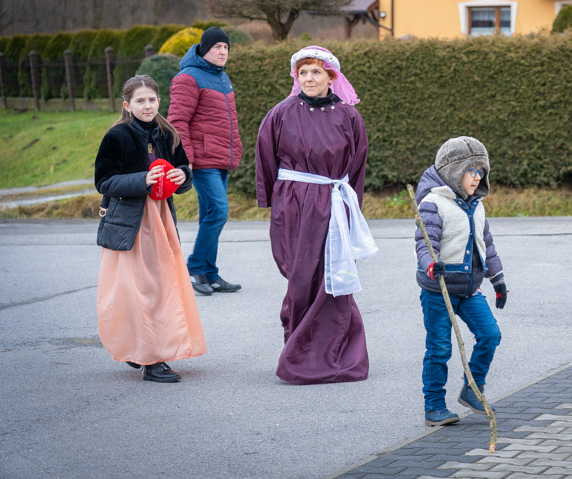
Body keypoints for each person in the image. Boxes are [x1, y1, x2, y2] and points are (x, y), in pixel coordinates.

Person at [255, 45, 376, 384]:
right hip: (292, 205)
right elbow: (265, 157)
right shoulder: (280, 113)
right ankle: (299, 348)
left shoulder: (349, 117)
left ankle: (335, 354)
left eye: (316, 72)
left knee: (332, 277)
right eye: (303, 72)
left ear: (331, 77)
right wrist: (272, 203)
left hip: (332, 203)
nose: (309, 78)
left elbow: (357, 166)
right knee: (300, 277)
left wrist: (352, 207)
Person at [95, 75, 207, 383]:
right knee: (138, 291)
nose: (147, 106)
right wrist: (142, 180)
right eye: (140, 100)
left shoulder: (167, 133)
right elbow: (104, 181)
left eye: (152, 100)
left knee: (161, 287)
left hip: (161, 219)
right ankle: (150, 358)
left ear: (160, 102)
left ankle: (147, 350)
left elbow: (184, 169)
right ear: (127, 105)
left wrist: (183, 177)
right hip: (130, 222)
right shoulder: (117, 136)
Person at [414, 136, 508, 427]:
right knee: (440, 348)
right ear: (455, 172)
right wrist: (431, 264)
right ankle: (434, 406)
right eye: (472, 171)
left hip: (470, 289)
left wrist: (498, 280)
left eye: (481, 172)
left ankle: (473, 389)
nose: (477, 177)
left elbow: (486, 245)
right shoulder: (433, 203)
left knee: (490, 334)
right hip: (439, 289)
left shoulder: (476, 205)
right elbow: (424, 241)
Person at [168, 26, 243, 296]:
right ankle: (196, 267)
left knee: (210, 215)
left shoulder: (222, 77)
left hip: (221, 158)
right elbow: (178, 121)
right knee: (219, 211)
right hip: (201, 160)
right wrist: (185, 160)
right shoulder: (188, 78)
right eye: (217, 47)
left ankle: (210, 274)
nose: (222, 52)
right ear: (204, 49)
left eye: (226, 48)